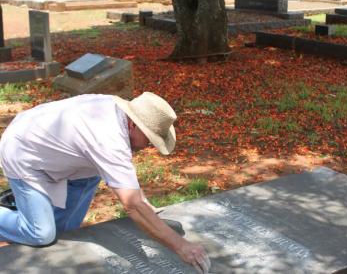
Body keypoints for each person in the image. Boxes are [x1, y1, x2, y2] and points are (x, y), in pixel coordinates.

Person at [0, 92, 210, 273]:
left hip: (57, 149)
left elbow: (123, 177)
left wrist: (144, 203)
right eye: (149, 138)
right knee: (41, 234)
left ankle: (34, 217)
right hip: (23, 152)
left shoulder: (117, 113)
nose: (149, 146)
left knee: (65, 231)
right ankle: (19, 214)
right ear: (133, 124)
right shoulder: (108, 139)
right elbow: (131, 204)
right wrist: (180, 245)